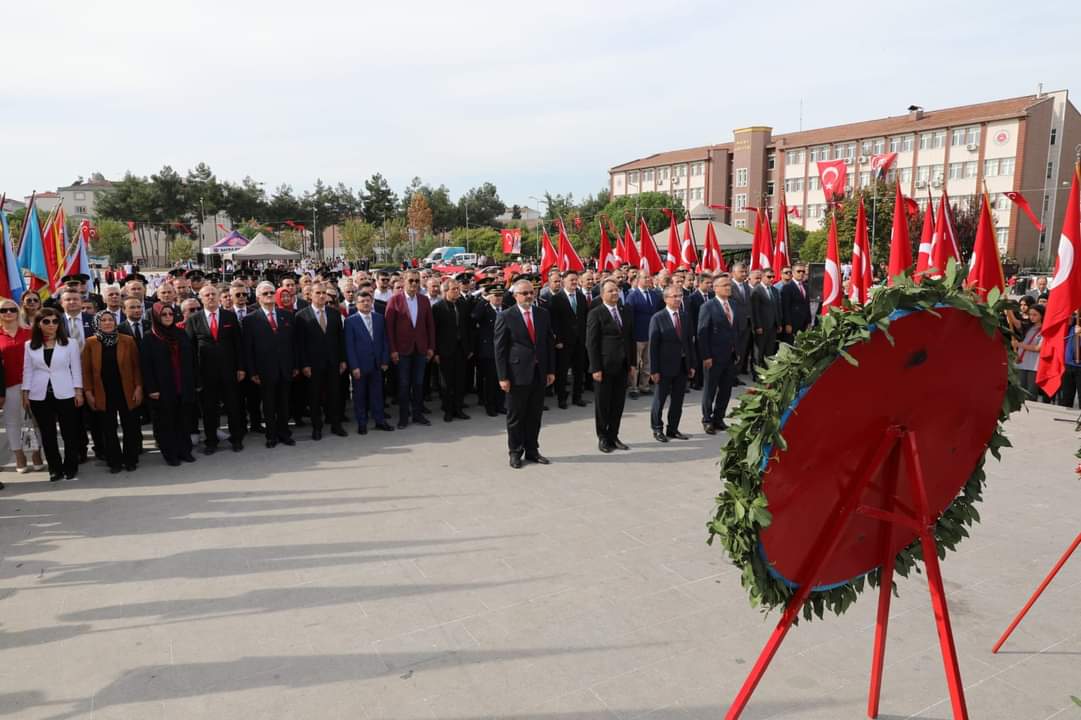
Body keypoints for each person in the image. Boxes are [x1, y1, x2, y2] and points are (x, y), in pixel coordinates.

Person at [495, 279, 556, 468]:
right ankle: (515, 451)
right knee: (516, 416)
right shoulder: (506, 316)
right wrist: (503, 377)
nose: (529, 296)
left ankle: (532, 450)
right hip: (516, 374)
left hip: (538, 373)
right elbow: (500, 349)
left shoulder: (542, 314)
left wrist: (551, 370)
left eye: (532, 292)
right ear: (515, 296)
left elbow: (548, 344)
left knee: (534, 415)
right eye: (525, 293)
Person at [22, 308, 84, 481]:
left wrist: (78, 391)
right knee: (47, 434)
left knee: (69, 432)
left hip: (66, 393)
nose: (51, 325)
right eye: (46, 321)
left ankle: (71, 466)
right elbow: (28, 370)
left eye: (55, 321)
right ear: (39, 324)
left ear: (59, 323)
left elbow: (76, 369)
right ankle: (54, 468)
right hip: (39, 395)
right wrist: (25, 393)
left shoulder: (70, 343)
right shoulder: (30, 345)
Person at [186, 285, 246, 453]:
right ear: (201, 298)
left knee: (233, 406)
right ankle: (211, 441)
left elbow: (238, 344)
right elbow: (190, 349)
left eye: (213, 294)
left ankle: (236, 438)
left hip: (229, 370)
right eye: (207, 295)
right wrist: (195, 375)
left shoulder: (230, 316)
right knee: (209, 409)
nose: (210, 297)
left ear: (219, 296)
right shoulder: (194, 319)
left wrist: (241, 367)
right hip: (206, 373)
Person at [81, 311, 143, 473]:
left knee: (130, 426)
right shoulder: (90, 343)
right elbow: (86, 371)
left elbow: (137, 366)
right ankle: (114, 461)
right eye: (104, 320)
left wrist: (138, 387)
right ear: (97, 323)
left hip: (126, 389)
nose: (108, 323)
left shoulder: (127, 341)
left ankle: (130, 459)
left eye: (111, 319)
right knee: (108, 428)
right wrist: (88, 393)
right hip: (103, 391)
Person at [243, 281, 298, 447]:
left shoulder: (286, 315)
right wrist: (252, 372)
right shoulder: (250, 320)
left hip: (285, 368)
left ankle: (284, 433)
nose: (269, 295)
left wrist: (295, 365)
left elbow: (293, 344)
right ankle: (271, 435)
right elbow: (248, 348)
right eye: (265, 293)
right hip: (265, 370)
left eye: (271, 292)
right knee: (268, 405)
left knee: (284, 403)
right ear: (258, 297)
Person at [142, 303, 197, 466]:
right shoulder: (149, 337)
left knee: (182, 420)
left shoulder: (181, 334)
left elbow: (192, 359)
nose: (167, 317)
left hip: (182, 385)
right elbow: (146, 366)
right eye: (163, 314)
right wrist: (151, 389)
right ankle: (171, 454)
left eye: (170, 314)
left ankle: (184, 451)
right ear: (157, 317)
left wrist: (193, 382)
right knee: (166, 423)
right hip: (162, 388)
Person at [586, 279, 635, 453]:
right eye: (611, 291)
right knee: (603, 404)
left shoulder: (625, 310)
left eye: (617, 290)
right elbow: (591, 343)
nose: (615, 294)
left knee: (618, 403)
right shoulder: (596, 313)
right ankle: (603, 437)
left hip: (622, 365)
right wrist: (595, 367)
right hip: (604, 366)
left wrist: (632, 364)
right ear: (602, 294)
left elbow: (630, 339)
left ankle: (614, 435)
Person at [294, 281, 348, 439]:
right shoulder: (301, 316)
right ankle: (317, 427)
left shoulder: (334, 313)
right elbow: (300, 343)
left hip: (333, 362)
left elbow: (340, 339)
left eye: (324, 293)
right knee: (315, 396)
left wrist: (343, 359)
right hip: (313, 364)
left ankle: (336, 425)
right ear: (310, 295)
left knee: (335, 395)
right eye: (318, 293)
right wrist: (304, 364)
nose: (322, 296)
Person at [384, 270, 435, 429]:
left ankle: (418, 414)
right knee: (404, 384)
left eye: (416, 281)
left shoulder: (424, 300)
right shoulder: (394, 301)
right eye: (411, 281)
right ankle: (404, 417)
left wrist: (431, 347)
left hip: (420, 348)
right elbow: (389, 329)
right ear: (404, 281)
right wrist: (392, 350)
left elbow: (430, 326)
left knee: (419, 383)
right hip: (402, 350)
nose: (414, 284)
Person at [648, 286, 696, 443]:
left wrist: (691, 365)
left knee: (678, 400)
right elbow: (653, 346)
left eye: (680, 296)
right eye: (674, 296)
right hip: (664, 366)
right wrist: (654, 370)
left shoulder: (685, 316)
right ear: (665, 298)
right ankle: (657, 428)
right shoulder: (658, 318)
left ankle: (673, 428)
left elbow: (689, 342)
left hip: (682, 365)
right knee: (659, 400)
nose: (677, 299)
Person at [0, 298, 42, 475]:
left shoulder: (29, 333)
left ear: (18, 312)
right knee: (13, 423)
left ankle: (36, 453)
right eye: (4, 311)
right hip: (8, 386)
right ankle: (19, 456)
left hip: (32, 384)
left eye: (12, 310)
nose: (8, 313)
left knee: (34, 422)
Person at [345, 290, 394, 434]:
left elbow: (385, 340)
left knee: (377, 394)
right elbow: (349, 346)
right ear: (356, 303)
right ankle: (362, 423)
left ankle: (380, 421)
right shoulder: (350, 321)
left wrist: (385, 360)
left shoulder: (379, 318)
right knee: (360, 396)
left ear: (372, 301)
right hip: (360, 366)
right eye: (362, 301)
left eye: (368, 300)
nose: (366, 303)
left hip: (377, 364)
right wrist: (354, 366)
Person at [698, 275, 738, 434]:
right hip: (713, 356)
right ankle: (707, 419)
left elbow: (735, 330)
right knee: (710, 389)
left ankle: (718, 418)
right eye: (724, 285)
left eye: (729, 285)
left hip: (730, 355)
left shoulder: (733, 304)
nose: (728, 288)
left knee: (726, 389)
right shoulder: (708, 306)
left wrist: (738, 350)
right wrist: (706, 356)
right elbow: (702, 334)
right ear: (715, 288)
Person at [431, 278, 473, 422]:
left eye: (457, 289)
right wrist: (435, 352)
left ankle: (458, 409)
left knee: (460, 381)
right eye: (454, 289)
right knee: (446, 383)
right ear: (445, 291)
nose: (457, 292)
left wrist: (469, 348)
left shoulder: (463, 304)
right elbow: (434, 331)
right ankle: (448, 410)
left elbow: (468, 327)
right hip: (445, 350)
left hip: (461, 349)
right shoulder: (438, 307)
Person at [548, 271, 589, 409]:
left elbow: (584, 318)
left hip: (580, 340)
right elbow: (554, 322)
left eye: (575, 280)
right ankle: (562, 398)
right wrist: (557, 340)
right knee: (562, 371)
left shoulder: (581, 297)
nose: (574, 282)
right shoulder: (557, 298)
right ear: (563, 281)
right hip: (564, 341)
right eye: (571, 280)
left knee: (579, 370)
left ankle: (577, 397)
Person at [472, 284, 506, 417]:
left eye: (500, 295)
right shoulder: (484, 309)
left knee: (502, 378)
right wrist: (484, 300)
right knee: (490, 380)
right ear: (490, 296)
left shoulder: (506, 309)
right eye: (495, 295)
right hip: (489, 350)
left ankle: (500, 404)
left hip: (503, 349)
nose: (498, 298)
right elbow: (474, 317)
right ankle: (490, 406)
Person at [626, 274, 661, 397]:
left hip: (651, 334)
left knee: (647, 362)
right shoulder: (632, 296)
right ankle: (633, 387)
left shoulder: (654, 295)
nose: (648, 279)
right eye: (645, 278)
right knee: (635, 363)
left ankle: (644, 385)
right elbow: (629, 318)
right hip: (637, 335)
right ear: (638, 280)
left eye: (648, 278)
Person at [751, 268, 780, 372]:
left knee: (770, 351)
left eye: (773, 277)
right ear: (762, 277)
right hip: (762, 326)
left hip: (773, 326)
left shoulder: (775, 290)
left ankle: (768, 372)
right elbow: (755, 310)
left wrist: (779, 323)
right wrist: (757, 326)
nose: (771, 279)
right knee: (759, 351)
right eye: (769, 277)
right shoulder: (756, 291)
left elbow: (777, 308)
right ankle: (757, 373)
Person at [1015, 304, 1045, 401]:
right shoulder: (1028, 327)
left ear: (1041, 315)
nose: (1031, 317)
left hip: (1034, 366)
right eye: (1030, 314)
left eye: (1035, 315)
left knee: (1030, 394)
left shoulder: (1044, 330)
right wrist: (1009, 311)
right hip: (1022, 364)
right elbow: (1015, 323)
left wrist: (1020, 345)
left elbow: (1038, 348)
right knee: (1020, 393)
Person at [782, 263, 812, 339]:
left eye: (803, 271)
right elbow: (785, 307)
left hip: (804, 323)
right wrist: (787, 324)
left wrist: (809, 321)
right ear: (792, 272)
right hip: (793, 323)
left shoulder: (806, 286)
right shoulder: (787, 287)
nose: (801, 273)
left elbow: (807, 305)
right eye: (799, 271)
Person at [1059, 312, 1081, 408]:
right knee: (1066, 397)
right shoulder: (1069, 328)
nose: (1073, 317)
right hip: (1068, 366)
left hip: (1079, 367)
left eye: (1075, 315)